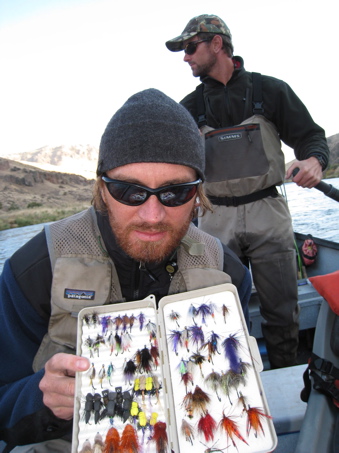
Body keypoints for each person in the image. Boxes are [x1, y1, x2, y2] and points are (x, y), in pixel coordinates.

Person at [0, 88, 252, 452]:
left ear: (198, 194)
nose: (152, 215)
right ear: (102, 188)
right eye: (129, 192)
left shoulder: (229, 274)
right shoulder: (34, 270)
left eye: (175, 193)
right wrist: (41, 398)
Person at [165, 15, 330, 369]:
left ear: (217, 44)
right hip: (213, 221)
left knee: (282, 310)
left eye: (190, 47)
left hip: (268, 213)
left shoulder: (271, 91)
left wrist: (315, 161)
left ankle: (286, 374)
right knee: (217, 314)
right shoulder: (187, 109)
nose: (185, 57)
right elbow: (172, 166)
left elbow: (310, 136)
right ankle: (235, 380)